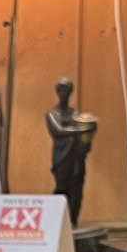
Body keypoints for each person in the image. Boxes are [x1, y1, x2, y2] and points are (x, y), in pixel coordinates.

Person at [46, 78, 97, 227]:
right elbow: (58, 130)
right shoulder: (52, 115)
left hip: (76, 157)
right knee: (62, 188)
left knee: (77, 189)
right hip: (61, 157)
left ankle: (73, 221)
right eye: (61, 90)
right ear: (57, 91)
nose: (64, 93)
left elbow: (84, 128)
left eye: (67, 90)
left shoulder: (75, 113)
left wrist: (88, 130)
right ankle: (58, 223)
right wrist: (80, 130)